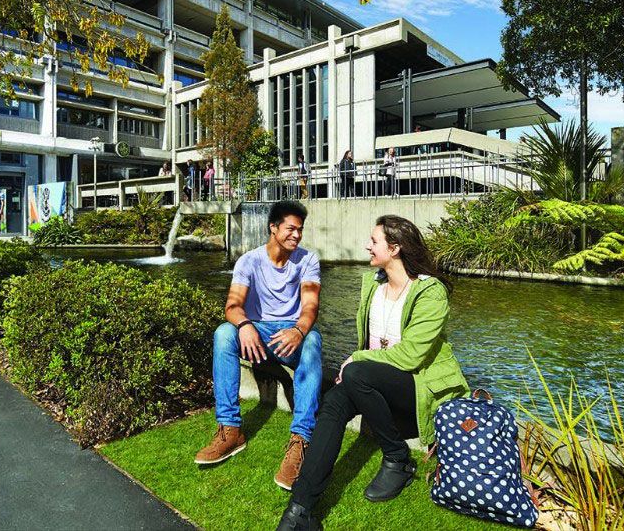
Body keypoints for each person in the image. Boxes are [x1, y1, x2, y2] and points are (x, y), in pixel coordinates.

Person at [276, 215, 470, 531]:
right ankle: (300, 511)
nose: (367, 245)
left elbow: (411, 356)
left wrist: (357, 359)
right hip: (374, 380)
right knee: (335, 401)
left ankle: (397, 458)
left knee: (355, 375)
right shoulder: (373, 283)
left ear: (394, 248)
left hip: (417, 383)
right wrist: (360, 363)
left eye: (374, 240)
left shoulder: (430, 292)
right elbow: (369, 348)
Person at [196, 200, 322, 491]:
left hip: (290, 334)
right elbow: (232, 306)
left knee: (314, 338)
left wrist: (299, 330)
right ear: (273, 228)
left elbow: (310, 306)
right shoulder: (249, 261)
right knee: (223, 334)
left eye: (300, 230)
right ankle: (230, 431)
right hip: (257, 334)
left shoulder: (308, 261)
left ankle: (300, 440)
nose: (297, 235)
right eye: (291, 229)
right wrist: (245, 325)